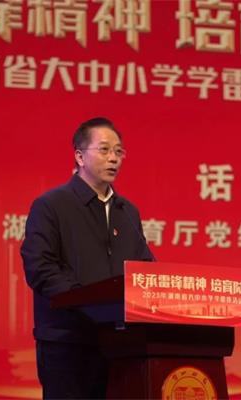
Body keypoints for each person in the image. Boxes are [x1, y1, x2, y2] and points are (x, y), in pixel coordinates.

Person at [21, 117, 154, 399]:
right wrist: (91, 304)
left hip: (119, 346)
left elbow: (144, 269)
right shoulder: (51, 205)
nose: (113, 158)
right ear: (80, 156)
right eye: (104, 150)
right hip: (68, 345)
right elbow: (40, 268)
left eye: (118, 151)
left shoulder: (127, 212)